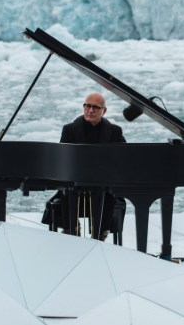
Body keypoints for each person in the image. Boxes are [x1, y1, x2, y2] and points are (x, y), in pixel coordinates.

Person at [45, 93, 125, 240]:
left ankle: (101, 234)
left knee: (110, 193)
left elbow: (123, 158)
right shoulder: (69, 129)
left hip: (103, 184)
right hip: (75, 184)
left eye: (95, 107)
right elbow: (63, 158)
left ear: (104, 111)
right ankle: (71, 230)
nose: (90, 110)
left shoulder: (115, 131)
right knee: (65, 191)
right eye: (87, 106)